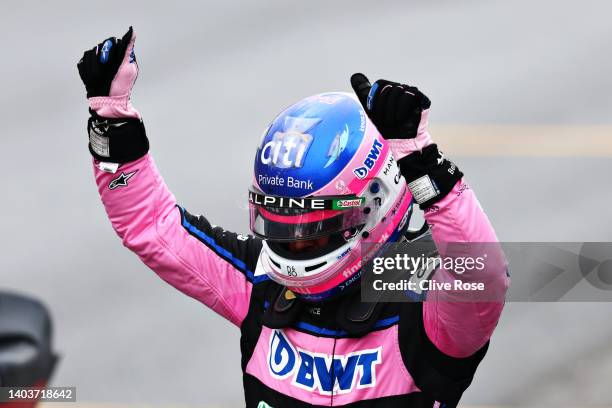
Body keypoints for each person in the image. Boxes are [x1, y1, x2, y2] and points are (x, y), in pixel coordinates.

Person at [77, 28, 509, 407]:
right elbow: (155, 228)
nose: (294, 246)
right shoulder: (262, 281)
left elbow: (485, 277)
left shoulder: (425, 305)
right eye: (281, 227)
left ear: (376, 204)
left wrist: (423, 164)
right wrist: (111, 122)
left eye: (312, 231)